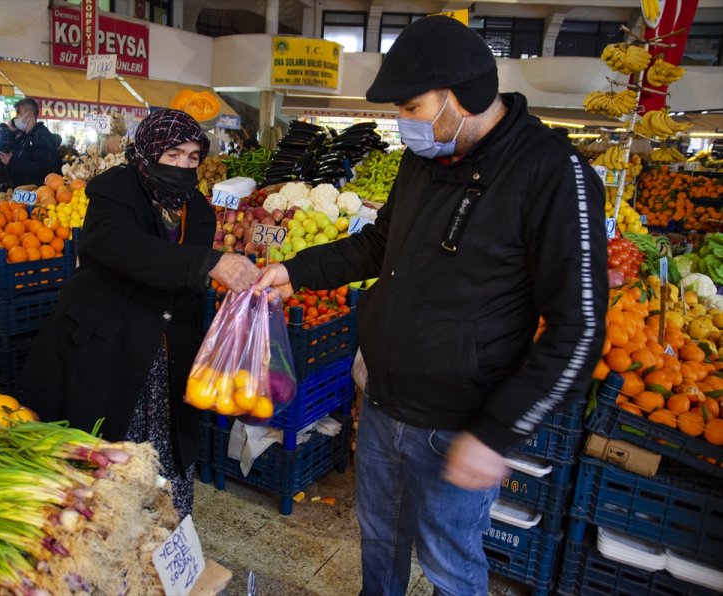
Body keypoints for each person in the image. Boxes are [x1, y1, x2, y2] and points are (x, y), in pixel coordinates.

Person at [257, 16, 607, 595]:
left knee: (449, 562)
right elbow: (378, 244)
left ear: (460, 98)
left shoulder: (551, 172)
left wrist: (496, 433)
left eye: (412, 107)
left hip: (459, 422)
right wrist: (296, 271)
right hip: (386, 402)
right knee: (380, 540)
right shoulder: (427, 158)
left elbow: (580, 329)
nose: (403, 122)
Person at [17, 109, 260, 518]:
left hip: (168, 349)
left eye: (193, 157)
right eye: (173, 155)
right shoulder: (114, 191)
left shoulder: (196, 207)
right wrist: (207, 264)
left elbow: (188, 281)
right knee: (108, 453)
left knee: (166, 448)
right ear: (148, 151)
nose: (184, 166)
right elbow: (122, 246)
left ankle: (164, 536)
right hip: (108, 341)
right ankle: (105, 533)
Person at [0, 98, 62, 187]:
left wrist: (12, 162)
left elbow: (41, 168)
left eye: (19, 114)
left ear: (29, 115)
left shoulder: (41, 136)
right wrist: (12, 131)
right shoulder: (25, 136)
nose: (16, 118)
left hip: (36, 193)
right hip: (23, 192)